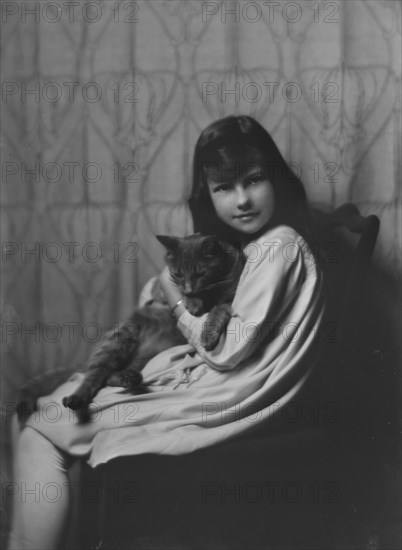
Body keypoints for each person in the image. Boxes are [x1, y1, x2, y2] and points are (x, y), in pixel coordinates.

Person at [7, 115, 325, 550]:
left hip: (233, 393)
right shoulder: (259, 245)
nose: (243, 200)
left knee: (41, 428)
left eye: (254, 181)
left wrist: (176, 298)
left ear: (277, 180)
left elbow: (228, 351)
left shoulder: (280, 244)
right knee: (39, 417)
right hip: (223, 384)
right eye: (224, 188)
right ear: (208, 195)